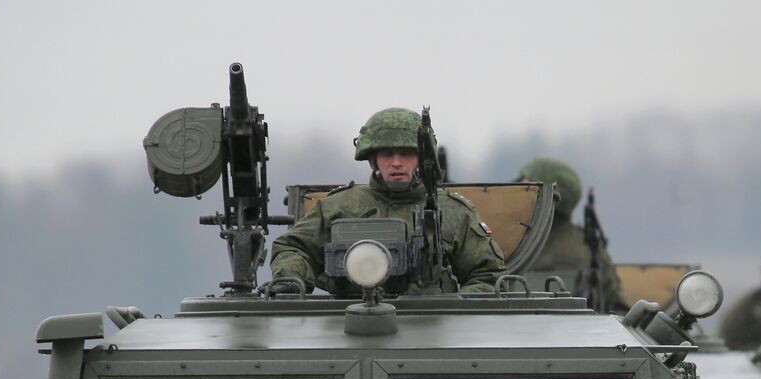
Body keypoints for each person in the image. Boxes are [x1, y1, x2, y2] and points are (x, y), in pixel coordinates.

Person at [269, 108, 506, 295]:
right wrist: (291, 278)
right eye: (387, 154)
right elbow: (293, 247)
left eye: (406, 154)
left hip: (434, 328)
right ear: (373, 159)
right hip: (349, 323)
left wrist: (455, 309)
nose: (396, 163)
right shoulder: (340, 207)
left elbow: (487, 275)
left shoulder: (453, 212)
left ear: (422, 159)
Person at [517, 157, 627, 312]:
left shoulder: (511, 245)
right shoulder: (589, 247)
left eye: (526, 184)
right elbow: (618, 308)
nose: (518, 190)